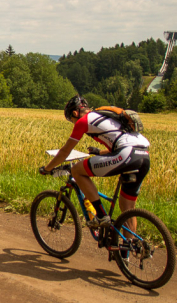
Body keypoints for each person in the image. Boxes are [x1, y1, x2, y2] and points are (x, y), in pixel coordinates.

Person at [40, 95, 150, 229]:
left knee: (77, 170)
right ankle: (129, 247)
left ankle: (101, 215)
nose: (73, 123)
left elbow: (64, 152)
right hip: (143, 155)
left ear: (75, 113)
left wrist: (47, 168)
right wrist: (99, 152)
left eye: (72, 120)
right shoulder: (106, 118)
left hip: (127, 154)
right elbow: (122, 145)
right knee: (127, 209)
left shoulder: (83, 121)